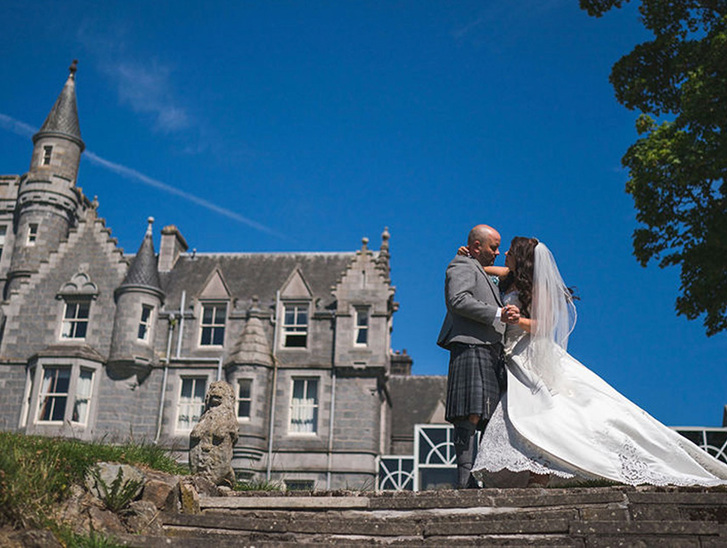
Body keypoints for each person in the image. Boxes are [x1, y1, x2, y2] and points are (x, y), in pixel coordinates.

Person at [471, 237, 727, 487]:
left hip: (529, 352)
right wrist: (466, 256)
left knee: (541, 407)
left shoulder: (537, 286)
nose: (504, 254)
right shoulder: (510, 277)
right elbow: (480, 268)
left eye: (510, 252)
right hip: (512, 354)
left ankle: (541, 472)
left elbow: (545, 326)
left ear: (521, 258)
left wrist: (517, 321)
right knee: (525, 409)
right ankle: (537, 470)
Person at [437, 224, 520, 489]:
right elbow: (457, 300)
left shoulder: (479, 269)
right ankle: (464, 480)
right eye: (493, 247)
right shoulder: (461, 265)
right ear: (476, 246)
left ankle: (483, 476)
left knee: (488, 416)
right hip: (471, 345)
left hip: (492, 349)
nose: (497, 252)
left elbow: (511, 272)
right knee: (468, 413)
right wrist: (497, 314)